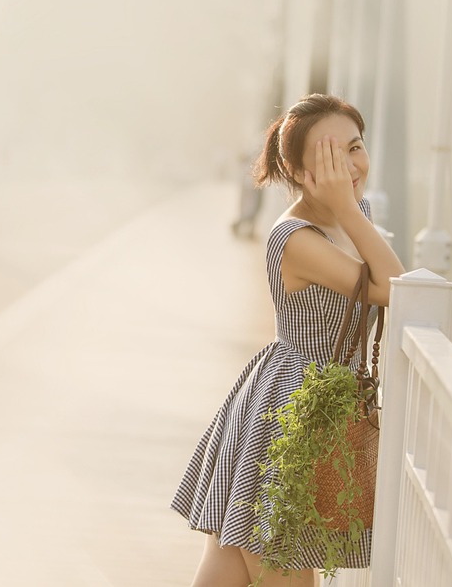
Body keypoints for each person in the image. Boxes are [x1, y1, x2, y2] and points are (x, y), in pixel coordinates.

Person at [171, 93, 406, 586]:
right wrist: (349, 209)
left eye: (355, 148)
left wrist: (348, 210)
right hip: (291, 410)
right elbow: (393, 288)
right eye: (329, 156)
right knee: (281, 566)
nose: (348, 167)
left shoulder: (351, 216)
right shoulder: (295, 237)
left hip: (307, 405)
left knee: (229, 562)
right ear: (299, 171)